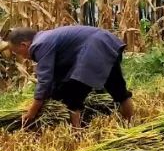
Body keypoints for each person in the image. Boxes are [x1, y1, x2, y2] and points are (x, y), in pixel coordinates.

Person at [3, 25, 134, 129]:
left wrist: (32, 111)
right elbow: (58, 75)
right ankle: (129, 126)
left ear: (24, 45)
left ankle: (76, 135)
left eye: (17, 52)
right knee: (120, 93)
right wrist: (52, 95)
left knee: (72, 100)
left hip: (94, 49)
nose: (21, 56)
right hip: (107, 43)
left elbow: (45, 80)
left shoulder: (40, 44)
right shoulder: (46, 37)